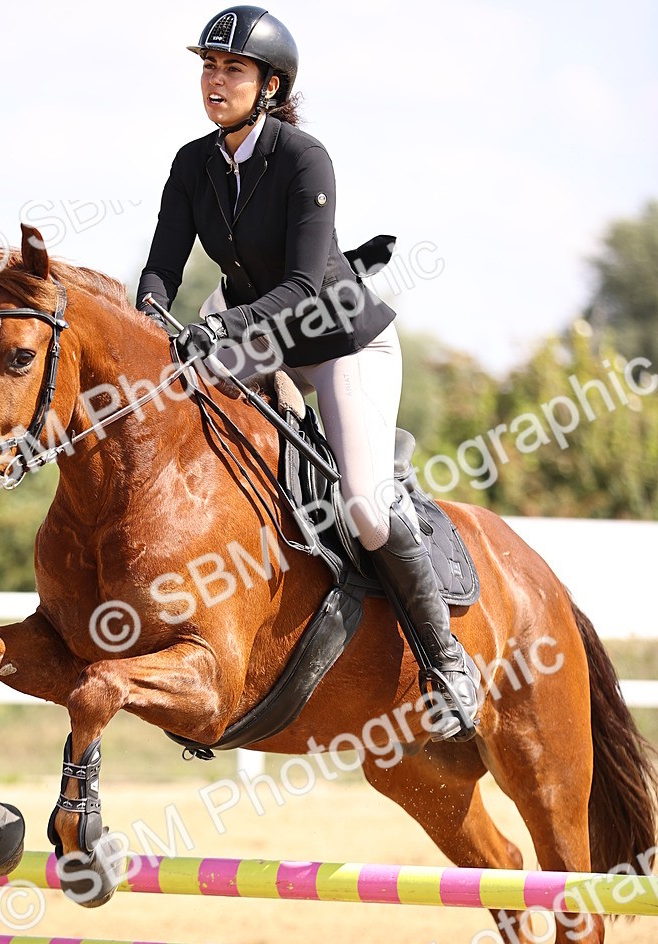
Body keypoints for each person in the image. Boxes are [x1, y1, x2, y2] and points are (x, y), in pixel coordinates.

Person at [136, 5, 480, 740]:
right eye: (209, 66)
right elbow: (162, 269)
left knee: (360, 504)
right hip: (260, 336)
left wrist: (222, 325)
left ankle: (445, 657)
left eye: (232, 69)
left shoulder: (303, 157)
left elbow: (299, 287)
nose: (215, 80)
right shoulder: (192, 162)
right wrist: (150, 314)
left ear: (269, 85)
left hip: (338, 340)